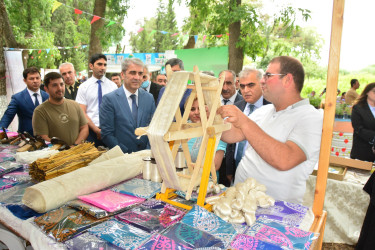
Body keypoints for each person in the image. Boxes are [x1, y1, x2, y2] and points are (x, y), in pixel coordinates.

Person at [217, 56, 323, 204]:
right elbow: (232, 135)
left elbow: (285, 160)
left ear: (287, 80)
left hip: (276, 211)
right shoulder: (264, 111)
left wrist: (244, 121)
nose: (262, 80)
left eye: (268, 75)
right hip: (241, 200)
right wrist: (211, 115)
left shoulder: (310, 117)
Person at [223, 68, 271, 185]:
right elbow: (230, 143)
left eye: (251, 85)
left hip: (262, 175)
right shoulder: (237, 106)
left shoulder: (273, 108)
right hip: (236, 171)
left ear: (262, 84)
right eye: (242, 86)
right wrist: (229, 170)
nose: (246, 90)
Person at [100, 58, 155, 153]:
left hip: (146, 157)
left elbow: (154, 128)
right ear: (122, 75)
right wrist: (126, 154)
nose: (137, 77)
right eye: (133, 73)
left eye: (140, 74)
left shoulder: (149, 98)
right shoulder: (110, 99)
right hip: (122, 159)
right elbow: (107, 134)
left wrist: (148, 151)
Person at [32, 72, 88, 146]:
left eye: (62, 84)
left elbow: (84, 128)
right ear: (46, 89)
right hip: (55, 155)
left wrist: (75, 146)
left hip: (77, 152)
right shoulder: (40, 111)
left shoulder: (75, 105)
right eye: (54, 85)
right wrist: (64, 149)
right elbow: (43, 137)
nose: (59, 88)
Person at [75, 54, 117, 147]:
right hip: (90, 131)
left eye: (105, 65)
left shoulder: (113, 86)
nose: (103, 67)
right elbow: (82, 112)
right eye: (99, 64)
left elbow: (117, 110)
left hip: (110, 131)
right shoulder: (84, 87)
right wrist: (96, 130)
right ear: (91, 66)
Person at [0, 67, 49, 135]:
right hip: (26, 139)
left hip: (47, 138)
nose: (35, 81)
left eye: (37, 78)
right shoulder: (17, 98)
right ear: (25, 80)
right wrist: (1, 131)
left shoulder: (48, 97)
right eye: (31, 78)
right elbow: (8, 116)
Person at [187, 98, 226, 179]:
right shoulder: (183, 128)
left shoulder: (217, 130)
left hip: (206, 184)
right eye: (192, 109)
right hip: (181, 181)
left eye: (201, 109)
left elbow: (214, 166)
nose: (196, 112)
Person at [350, 83, 375, 162]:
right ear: (367, 92)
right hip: (362, 152)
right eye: (374, 91)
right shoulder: (358, 108)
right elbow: (358, 129)